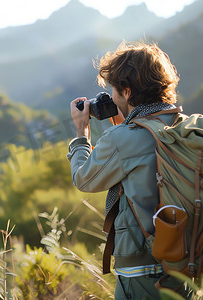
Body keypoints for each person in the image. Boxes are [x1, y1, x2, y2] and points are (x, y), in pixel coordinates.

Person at [67, 41, 188, 299]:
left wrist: (81, 134)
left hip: (142, 270)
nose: (112, 97)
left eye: (114, 90)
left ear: (127, 91)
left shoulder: (123, 138)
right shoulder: (184, 125)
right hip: (186, 261)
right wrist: (127, 119)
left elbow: (83, 179)